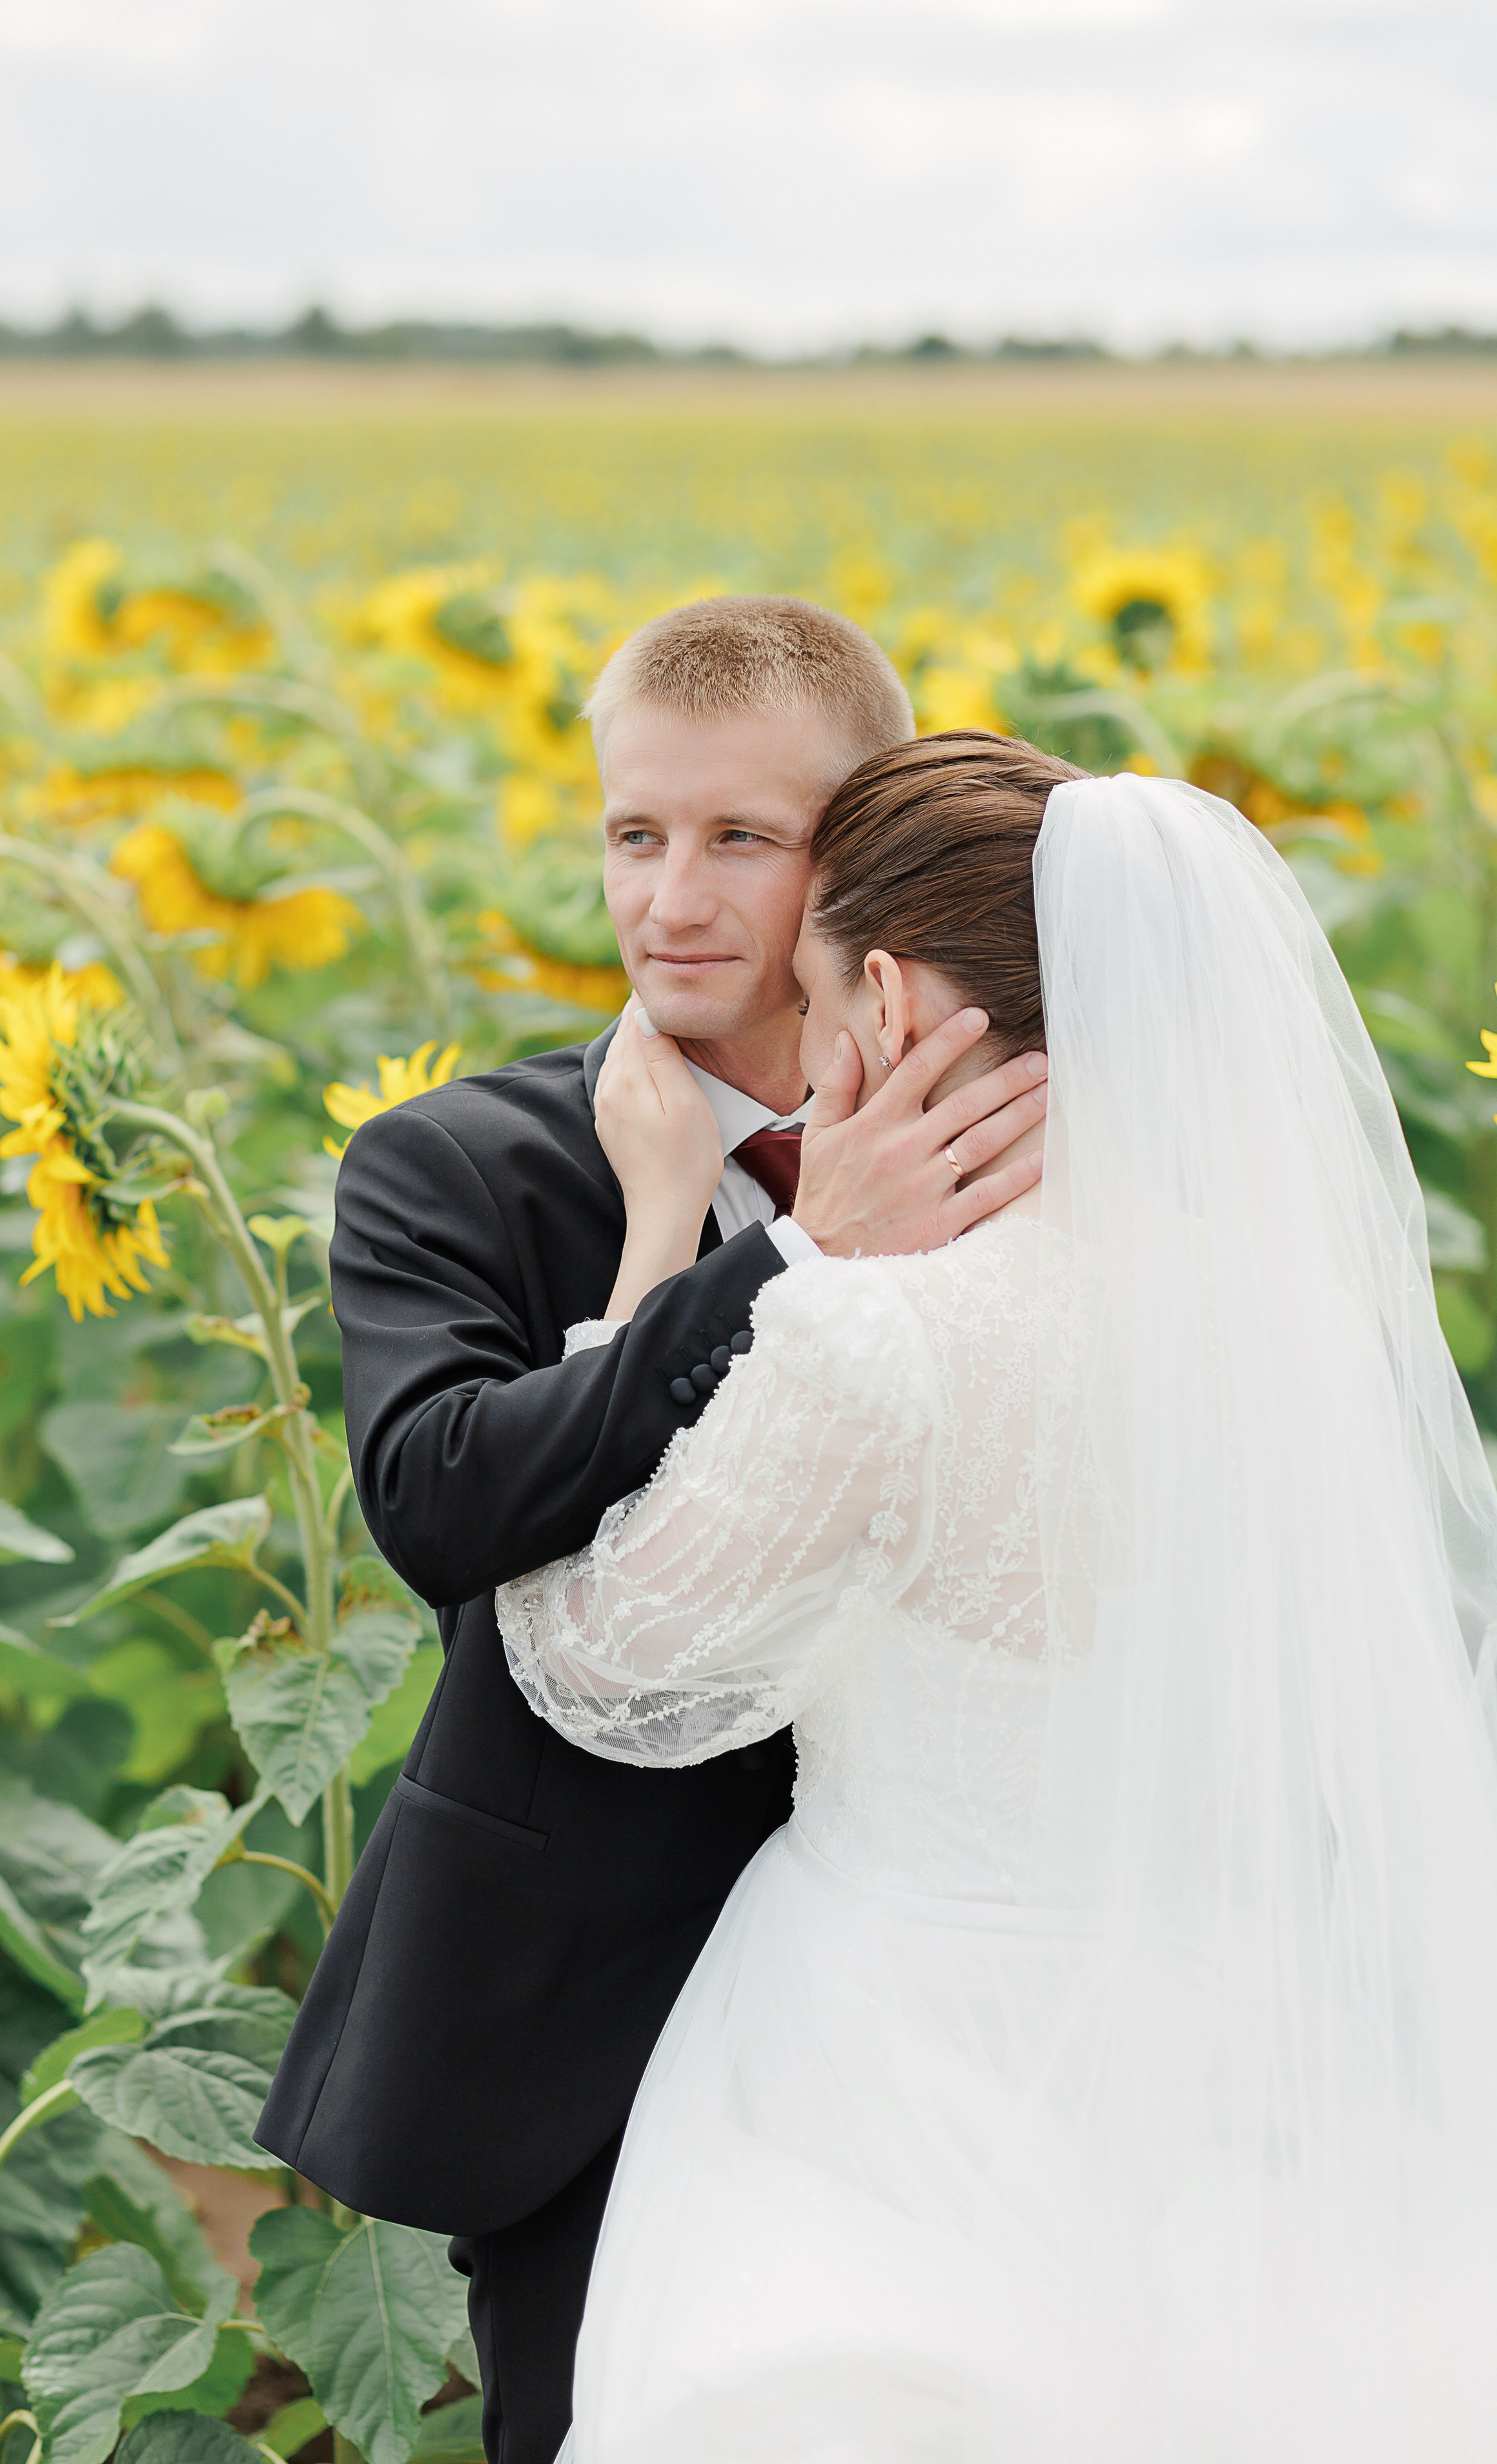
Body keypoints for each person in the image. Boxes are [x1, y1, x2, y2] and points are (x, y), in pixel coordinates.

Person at [497, 735, 1497, 2463]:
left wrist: (661, 1237)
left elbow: (603, 1662)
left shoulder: (877, 1337)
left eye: (816, 1001)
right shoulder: (1302, 1324)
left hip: (879, 2074)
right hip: (1237, 2067)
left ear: (884, 1001)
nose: (808, 1062)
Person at [254, 600, 1048, 2464]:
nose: (670, 898)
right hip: (581, 2017)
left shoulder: (1011, 1150)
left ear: (857, 845)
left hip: (932, 1998)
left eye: (740, 841)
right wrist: (765, 1254)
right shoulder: (455, 1162)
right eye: (634, 833)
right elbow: (441, 1503)